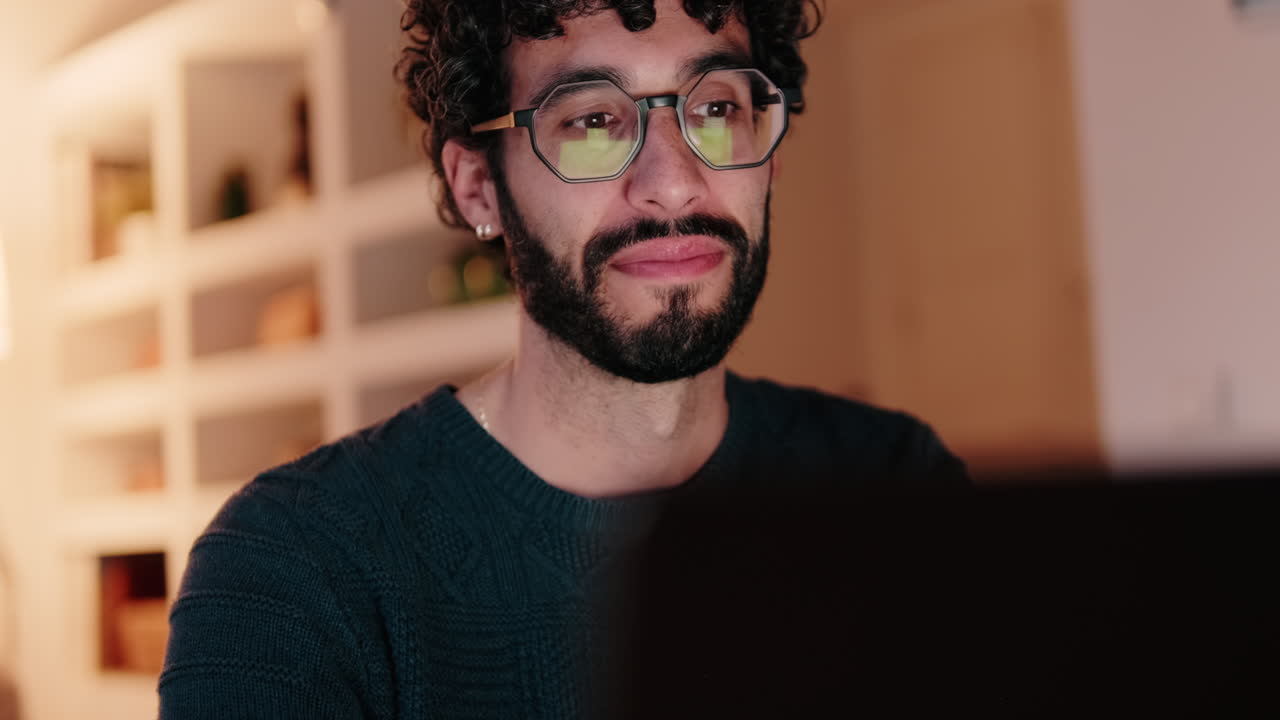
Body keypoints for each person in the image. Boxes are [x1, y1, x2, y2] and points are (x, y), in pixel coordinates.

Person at [159, 1, 966, 717]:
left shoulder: (894, 483)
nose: (675, 185)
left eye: (716, 107)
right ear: (478, 186)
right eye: (591, 120)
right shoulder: (297, 568)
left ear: (770, 152)